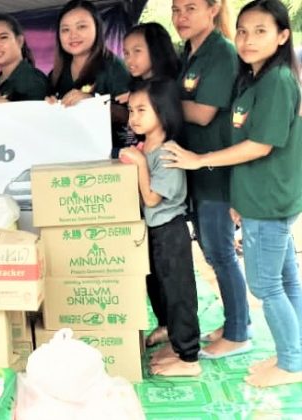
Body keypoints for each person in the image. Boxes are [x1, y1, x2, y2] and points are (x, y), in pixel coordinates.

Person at [164, 0, 302, 387]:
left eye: (260, 31)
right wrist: (239, 200)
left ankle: (291, 364)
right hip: (259, 195)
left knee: (267, 285)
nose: (248, 40)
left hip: (268, 199)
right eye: (243, 31)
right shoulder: (256, 77)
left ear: (283, 36)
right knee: (286, 279)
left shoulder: (277, 81)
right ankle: (293, 352)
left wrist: (199, 159)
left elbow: (260, 145)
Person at [171, 0, 251, 359]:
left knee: (220, 251)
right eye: (176, 9)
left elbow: (203, 113)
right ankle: (239, 320)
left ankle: (237, 334)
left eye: (191, 8)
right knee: (211, 249)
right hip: (197, 169)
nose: (181, 17)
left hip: (217, 169)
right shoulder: (190, 53)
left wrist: (158, 104)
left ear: (213, 9)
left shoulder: (221, 53)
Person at [119, 79, 201, 377]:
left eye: (142, 110)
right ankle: (168, 330)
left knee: (178, 291)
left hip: (170, 231)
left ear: (163, 111)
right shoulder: (146, 147)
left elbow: (152, 198)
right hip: (152, 230)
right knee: (157, 285)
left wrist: (140, 165)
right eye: (131, 110)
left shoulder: (167, 152)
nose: (134, 117)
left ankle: (189, 357)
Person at [47, 0, 131, 157]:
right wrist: (49, 105)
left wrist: (93, 104)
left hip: (110, 158)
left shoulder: (114, 67)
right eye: (65, 29)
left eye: (81, 26)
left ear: (97, 28)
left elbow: (131, 115)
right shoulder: (57, 73)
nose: (73, 35)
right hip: (69, 154)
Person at [0, 13, 49, 106]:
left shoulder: (34, 81)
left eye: (3, 37)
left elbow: (37, 113)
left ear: (19, 41)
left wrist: (6, 105)